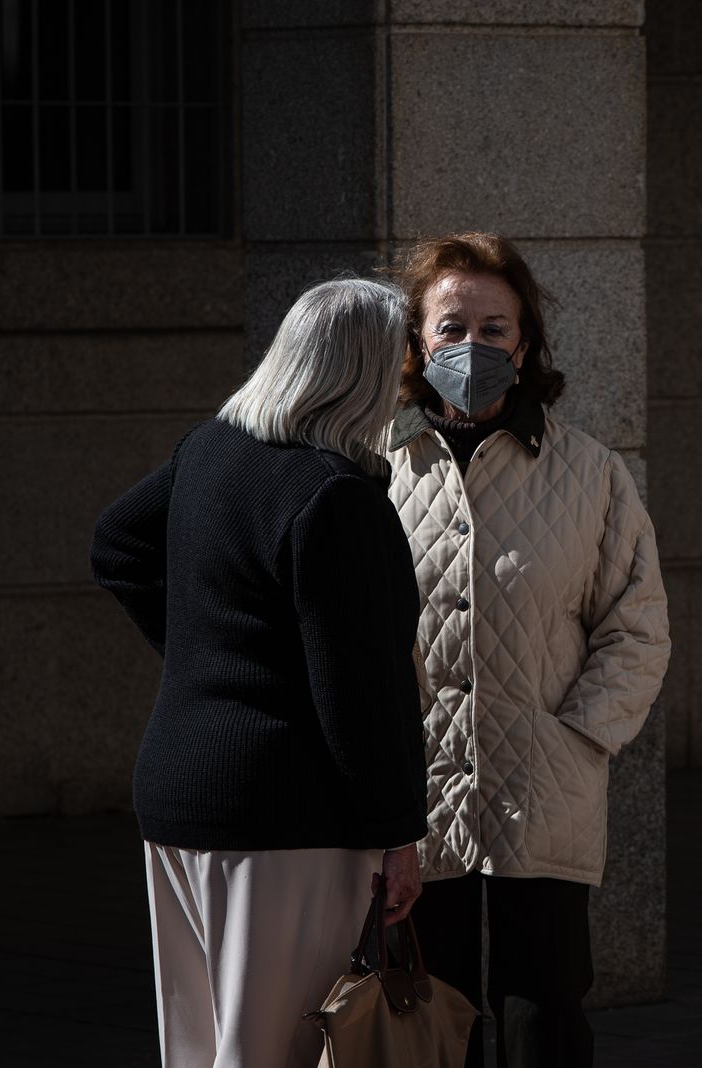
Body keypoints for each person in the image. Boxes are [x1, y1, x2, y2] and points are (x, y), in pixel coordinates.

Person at [89, 278, 429, 1068]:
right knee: (270, 1052)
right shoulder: (335, 495)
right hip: (286, 816)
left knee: (198, 1049)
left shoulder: (209, 450)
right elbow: (360, 697)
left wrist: (212, 659)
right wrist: (399, 836)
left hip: (179, 794)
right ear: (367, 376)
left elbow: (116, 542)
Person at [385, 232, 671, 1068]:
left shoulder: (592, 474)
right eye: (450, 327)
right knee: (427, 1021)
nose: (471, 347)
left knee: (543, 1012)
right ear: (416, 343)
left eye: (494, 328)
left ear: (527, 341)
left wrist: (576, 738)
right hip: (414, 804)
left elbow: (638, 623)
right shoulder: (377, 470)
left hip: (543, 791)